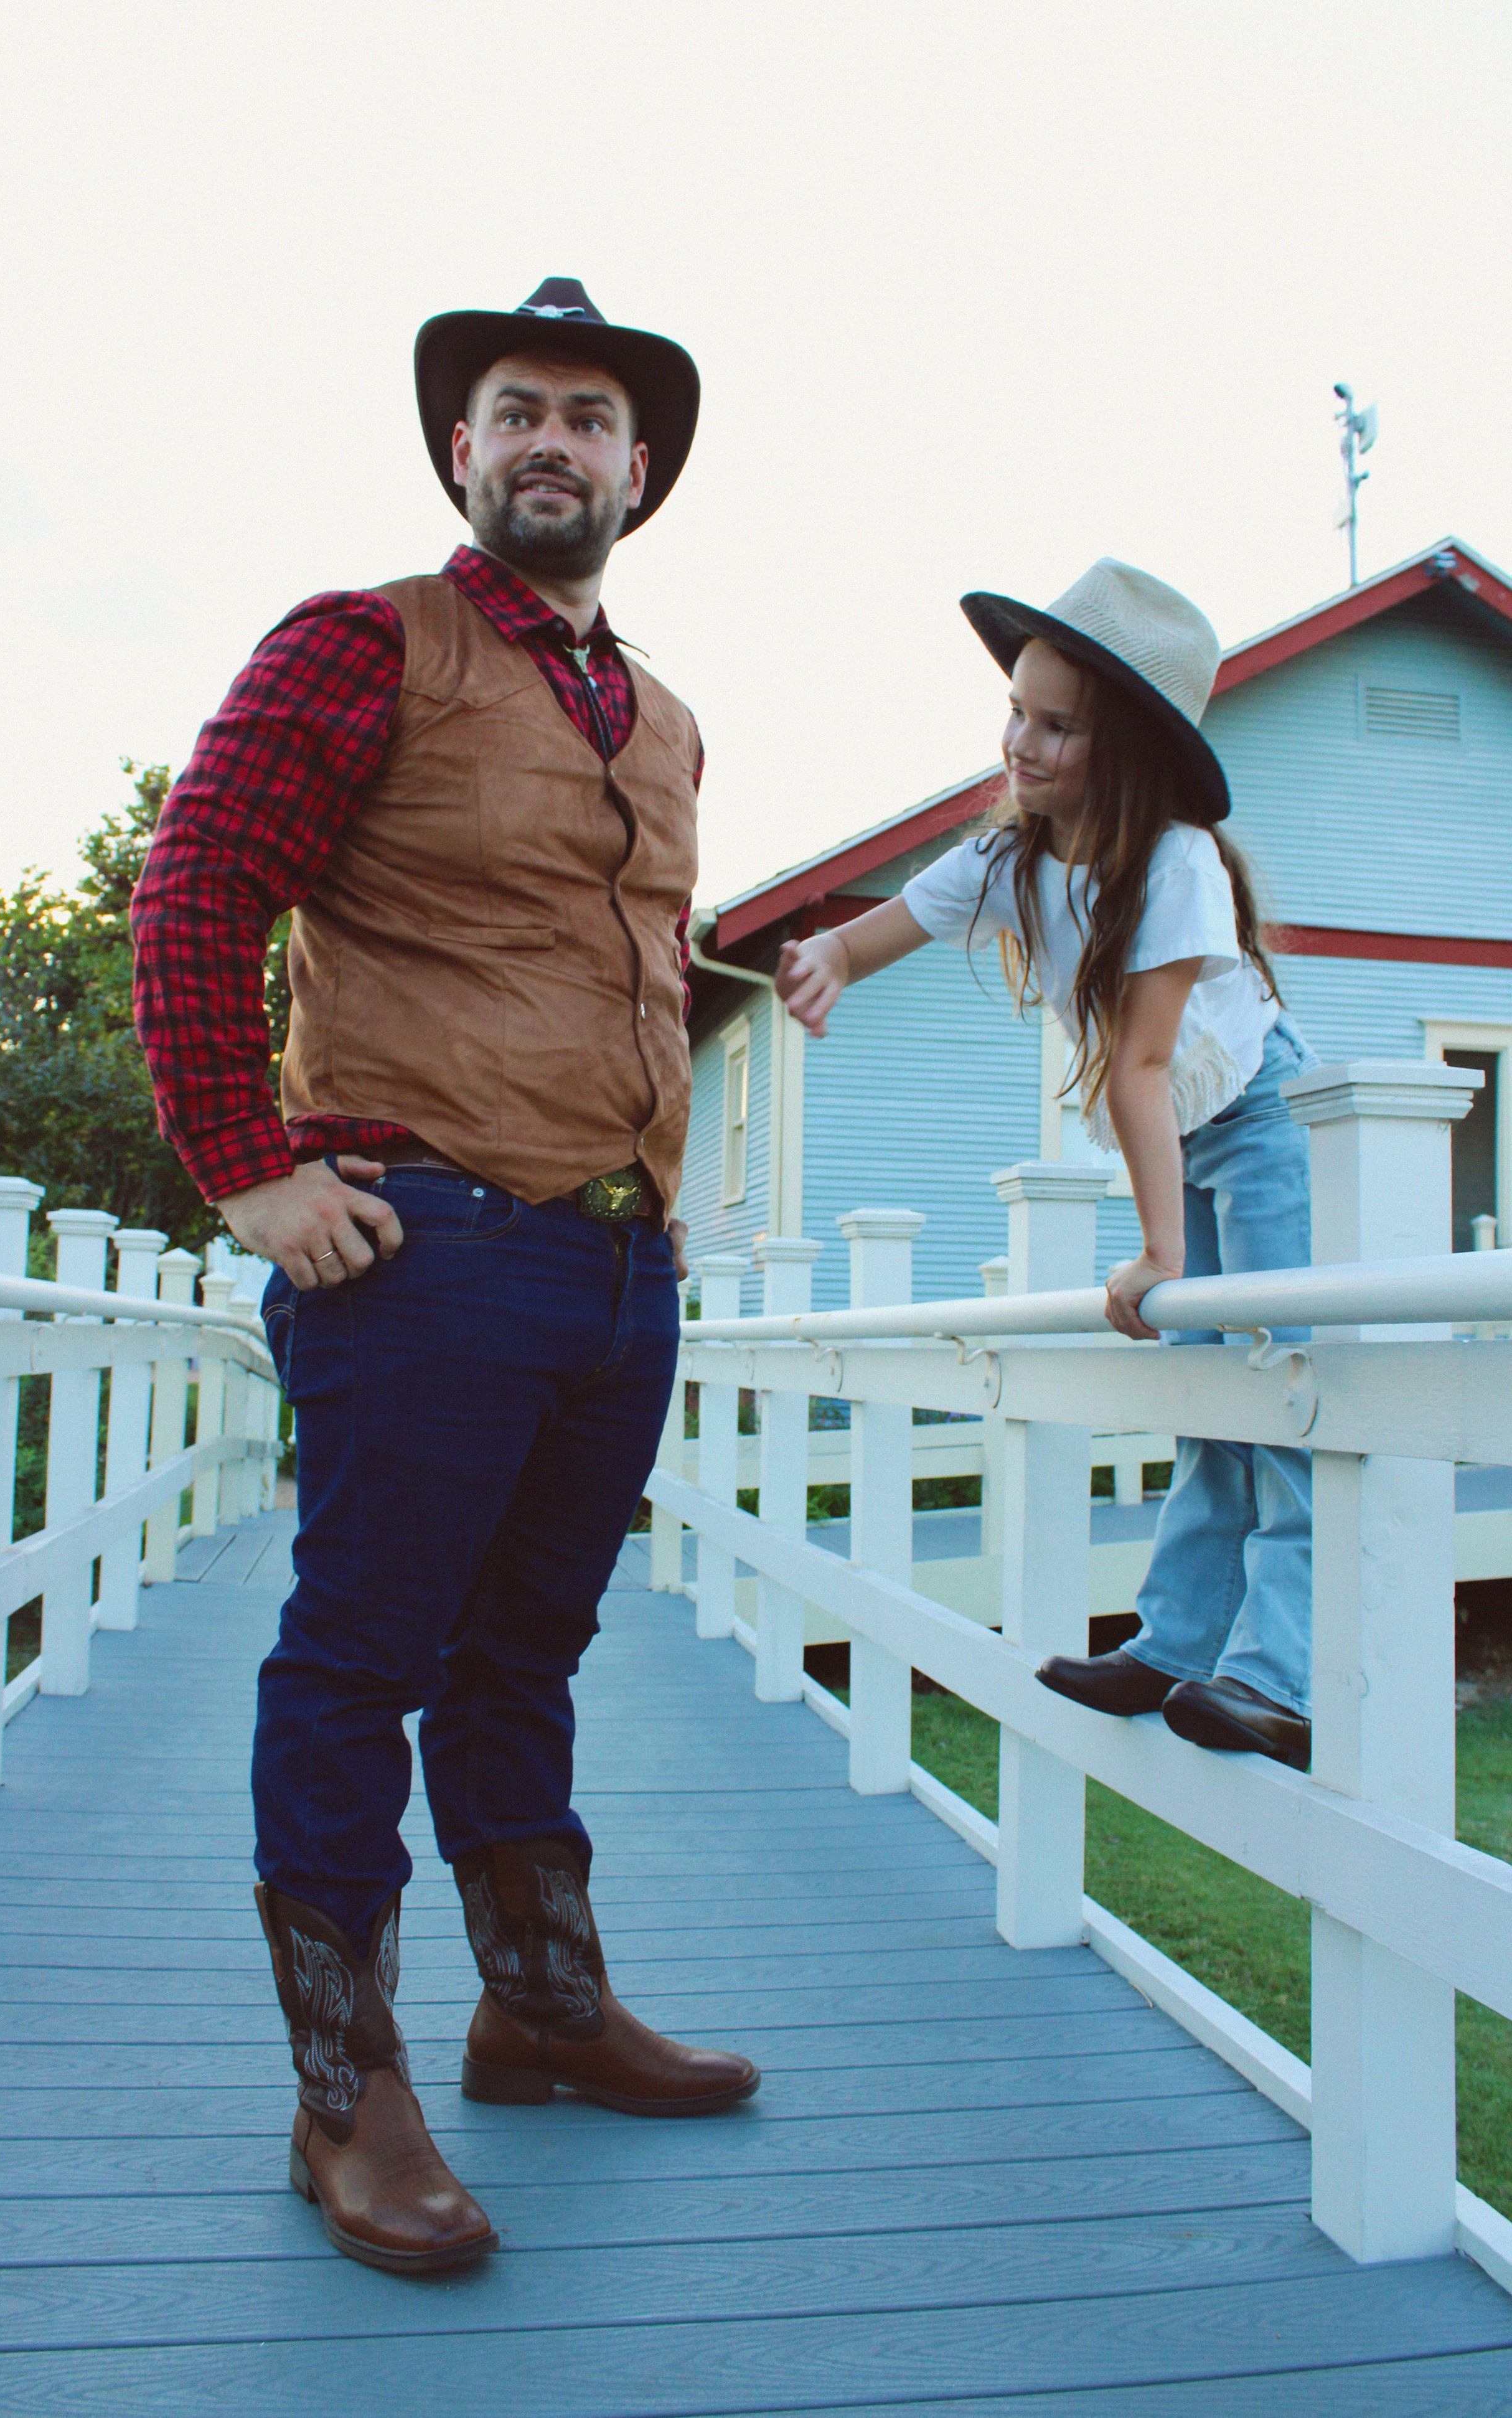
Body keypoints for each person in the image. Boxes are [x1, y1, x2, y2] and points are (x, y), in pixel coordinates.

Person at [131, 278, 758, 2279]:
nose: (554, 440)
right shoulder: (363, 640)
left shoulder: (657, 713)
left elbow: (631, 958)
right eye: (517, 412)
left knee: (527, 1656)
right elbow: (198, 878)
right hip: (422, 1250)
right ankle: (346, 2095)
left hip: (614, 1261)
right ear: (462, 453)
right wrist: (249, 1167)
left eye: (591, 414)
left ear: (638, 470)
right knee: (361, 1659)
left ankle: (543, 2006)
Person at [775, 560, 1316, 1774]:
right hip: (1176, 1127)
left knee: (1280, 1393)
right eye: (1014, 708)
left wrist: (1159, 1256)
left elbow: (1138, 1064)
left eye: (1054, 724)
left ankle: (1277, 1677)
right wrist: (822, 965)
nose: (1018, 740)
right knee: (1206, 1407)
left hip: (1258, 1113)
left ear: (1118, 749)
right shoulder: (1007, 860)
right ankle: (1175, 1643)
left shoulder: (1174, 863)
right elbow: (874, 936)